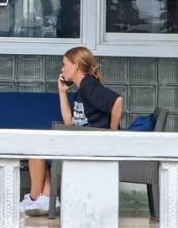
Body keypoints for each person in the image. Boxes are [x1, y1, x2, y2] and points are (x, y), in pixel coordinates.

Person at [19, 46, 123, 217]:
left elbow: (117, 101)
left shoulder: (89, 85)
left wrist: (112, 134)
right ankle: (45, 197)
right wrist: (62, 92)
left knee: (36, 149)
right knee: (39, 147)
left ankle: (34, 197)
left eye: (64, 64)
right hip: (83, 144)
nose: (62, 68)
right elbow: (70, 122)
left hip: (91, 148)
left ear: (75, 66)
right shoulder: (82, 89)